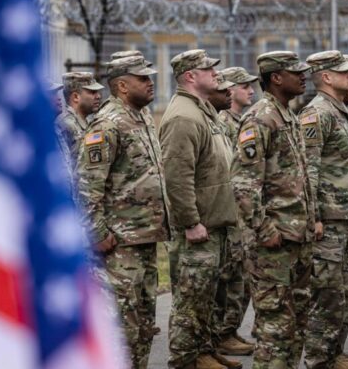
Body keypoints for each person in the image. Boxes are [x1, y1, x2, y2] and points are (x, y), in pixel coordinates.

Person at [77, 55, 170, 369]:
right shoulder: (108, 124)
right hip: (120, 246)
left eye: (149, 76)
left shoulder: (141, 117)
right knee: (123, 328)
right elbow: (87, 184)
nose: (150, 82)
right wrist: (98, 233)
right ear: (121, 85)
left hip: (144, 239)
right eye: (142, 78)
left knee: (144, 326)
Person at [231, 50, 314, 368]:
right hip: (274, 243)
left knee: (295, 326)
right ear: (276, 78)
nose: (303, 76)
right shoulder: (260, 118)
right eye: (296, 72)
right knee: (275, 329)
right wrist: (265, 230)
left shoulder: (287, 115)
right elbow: (243, 183)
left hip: (295, 237)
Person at [161, 49, 241, 369]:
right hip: (200, 225)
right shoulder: (183, 115)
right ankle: (185, 358)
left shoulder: (202, 110)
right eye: (209, 69)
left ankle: (204, 350)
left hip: (214, 220)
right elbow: (176, 176)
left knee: (206, 295)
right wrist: (191, 221)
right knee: (191, 299)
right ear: (191, 76)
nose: (216, 74)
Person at [299, 51, 348, 369]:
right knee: (328, 293)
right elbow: (309, 169)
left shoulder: (341, 111)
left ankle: (334, 351)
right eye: (345, 73)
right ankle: (319, 357)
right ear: (327, 77)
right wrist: (313, 216)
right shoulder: (316, 114)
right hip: (329, 221)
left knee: (346, 291)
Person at [212, 68, 258, 357]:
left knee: (242, 274)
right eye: (244, 86)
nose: (250, 90)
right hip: (231, 209)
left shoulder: (240, 120)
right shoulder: (224, 121)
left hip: (241, 208)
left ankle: (230, 329)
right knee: (231, 274)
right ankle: (223, 332)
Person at [55, 71, 104, 193]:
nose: (98, 96)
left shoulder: (87, 123)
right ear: (76, 97)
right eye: (92, 92)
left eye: (97, 92)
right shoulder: (65, 124)